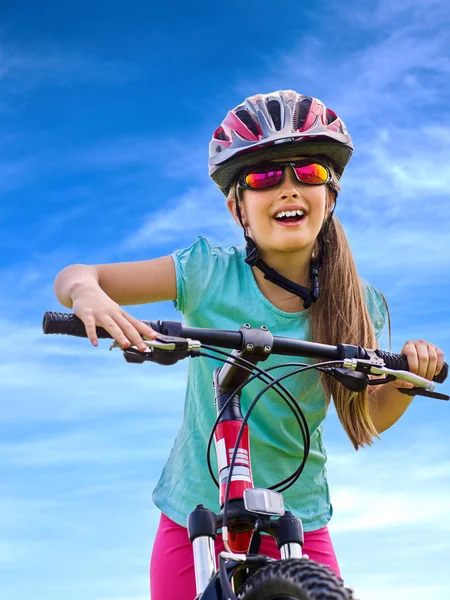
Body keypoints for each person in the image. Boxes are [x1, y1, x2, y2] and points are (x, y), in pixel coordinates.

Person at [53, 90, 444, 600]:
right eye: (263, 178)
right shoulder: (206, 273)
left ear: (331, 195)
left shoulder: (360, 304)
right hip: (196, 510)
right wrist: (88, 294)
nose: (287, 189)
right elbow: (78, 275)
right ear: (237, 205)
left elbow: (364, 415)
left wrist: (409, 380)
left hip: (297, 518)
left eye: (308, 174)